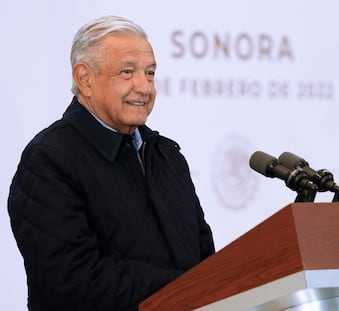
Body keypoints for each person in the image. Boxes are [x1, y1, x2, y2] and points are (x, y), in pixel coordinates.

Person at [8, 15, 215, 311]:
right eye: (127, 72)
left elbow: (205, 259)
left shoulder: (167, 156)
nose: (144, 87)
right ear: (85, 79)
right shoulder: (48, 160)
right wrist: (183, 288)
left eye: (151, 73)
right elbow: (71, 282)